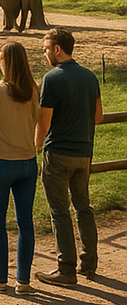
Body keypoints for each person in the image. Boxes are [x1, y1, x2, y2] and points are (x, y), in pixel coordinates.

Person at [0, 41, 43, 294]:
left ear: (7, 61)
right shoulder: (34, 90)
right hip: (27, 162)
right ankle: (23, 281)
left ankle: (0, 278)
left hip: (0, 162)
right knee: (26, 222)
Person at [34, 28, 103, 286]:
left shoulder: (52, 79)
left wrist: (36, 146)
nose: (44, 54)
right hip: (84, 154)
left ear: (57, 49)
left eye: (45, 49)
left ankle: (66, 269)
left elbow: (43, 120)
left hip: (58, 153)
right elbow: (98, 117)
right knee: (83, 208)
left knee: (59, 211)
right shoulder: (90, 77)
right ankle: (90, 262)